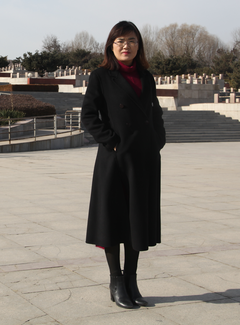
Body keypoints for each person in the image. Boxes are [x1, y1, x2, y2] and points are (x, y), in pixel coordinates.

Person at [81, 21, 166, 309]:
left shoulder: (147, 77)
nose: (126, 46)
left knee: (137, 220)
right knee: (114, 221)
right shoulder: (101, 76)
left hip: (143, 159)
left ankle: (132, 280)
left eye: (131, 41)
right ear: (111, 46)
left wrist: (157, 139)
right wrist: (113, 142)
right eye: (120, 42)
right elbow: (89, 116)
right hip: (115, 159)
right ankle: (116, 282)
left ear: (139, 45)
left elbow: (155, 111)